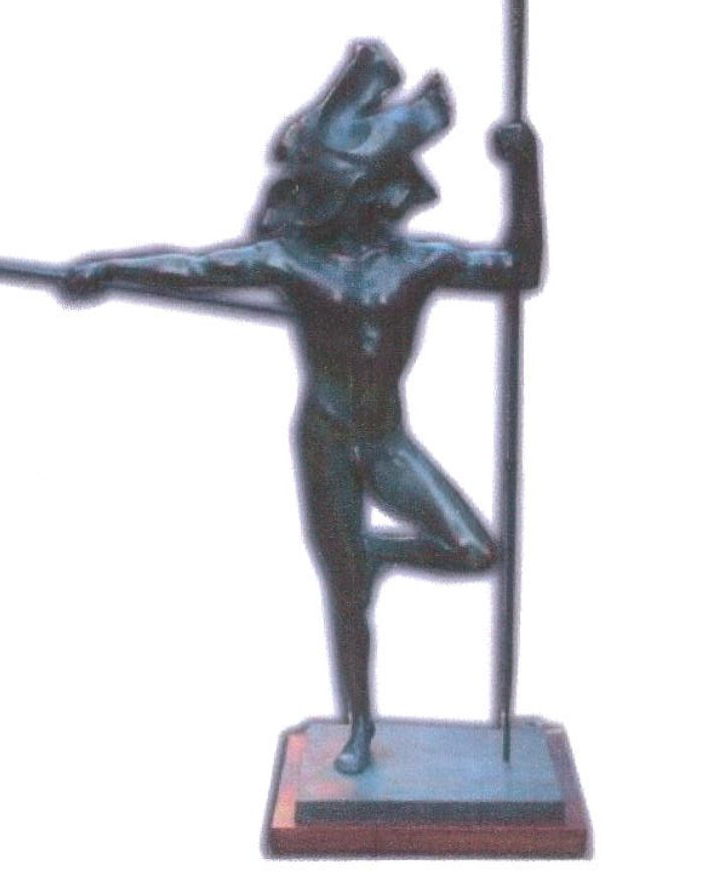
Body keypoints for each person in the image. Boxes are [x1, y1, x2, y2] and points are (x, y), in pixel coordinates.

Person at [64, 41, 543, 774]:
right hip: (326, 441)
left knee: (474, 550)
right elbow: (193, 266)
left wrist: (526, 170)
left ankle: (376, 555)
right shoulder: (291, 261)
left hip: (384, 441)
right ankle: (360, 725)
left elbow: (519, 269)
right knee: (346, 600)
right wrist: (107, 270)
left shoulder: (421, 262)